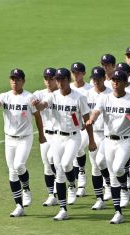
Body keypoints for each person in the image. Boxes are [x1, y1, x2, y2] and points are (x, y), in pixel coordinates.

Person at [86, 69, 130, 223]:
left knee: (117, 169)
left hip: (126, 140)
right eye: (113, 80)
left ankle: (125, 189)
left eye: (118, 80)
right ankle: (118, 212)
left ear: (125, 83)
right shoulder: (105, 98)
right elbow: (96, 111)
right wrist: (91, 120)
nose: (115, 83)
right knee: (112, 175)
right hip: (108, 140)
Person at [33, 68, 96, 220]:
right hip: (56, 138)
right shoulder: (52, 96)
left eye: (62, 79)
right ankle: (63, 209)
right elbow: (42, 106)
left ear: (69, 80)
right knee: (59, 171)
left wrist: (92, 140)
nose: (60, 82)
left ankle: (72, 185)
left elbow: (87, 120)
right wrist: (37, 105)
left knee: (67, 163)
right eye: (58, 80)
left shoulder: (79, 97)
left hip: (73, 137)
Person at [0, 68, 45, 217]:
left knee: (19, 165)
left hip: (25, 138)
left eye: (17, 79)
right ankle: (19, 206)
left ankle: (27, 189)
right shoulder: (5, 96)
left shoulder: (29, 97)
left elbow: (38, 117)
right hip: (9, 139)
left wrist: (41, 135)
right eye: (12, 79)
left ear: (23, 81)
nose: (14, 82)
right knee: (12, 172)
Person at [86, 66, 113, 209]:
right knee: (95, 167)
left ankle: (109, 185)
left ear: (104, 79)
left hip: (107, 135)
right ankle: (99, 199)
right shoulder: (87, 94)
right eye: (94, 79)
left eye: (99, 78)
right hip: (93, 134)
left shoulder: (110, 94)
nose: (96, 81)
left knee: (101, 161)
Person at [33, 68, 59, 206]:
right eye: (46, 79)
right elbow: (29, 101)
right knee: (47, 166)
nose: (48, 81)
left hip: (59, 135)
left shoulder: (61, 94)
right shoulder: (39, 93)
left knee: (53, 159)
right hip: (45, 134)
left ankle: (62, 188)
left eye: (51, 79)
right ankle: (51, 195)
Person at [70, 62, 93, 197]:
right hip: (72, 127)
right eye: (73, 72)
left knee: (78, 149)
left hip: (86, 127)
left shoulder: (89, 90)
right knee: (72, 155)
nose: (75, 75)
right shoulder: (69, 88)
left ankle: (82, 172)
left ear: (84, 74)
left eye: (78, 72)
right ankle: (80, 186)